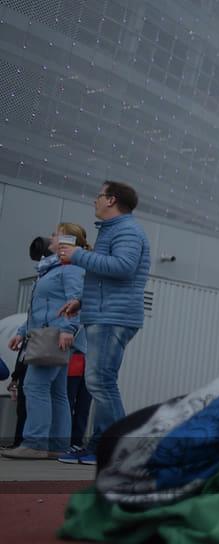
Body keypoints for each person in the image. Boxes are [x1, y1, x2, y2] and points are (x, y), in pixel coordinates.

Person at [57, 181, 151, 465]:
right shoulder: (116, 230)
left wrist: (78, 255)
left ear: (111, 200)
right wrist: (82, 301)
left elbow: (124, 267)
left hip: (113, 316)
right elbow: (106, 278)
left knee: (101, 382)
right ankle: (99, 446)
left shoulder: (127, 230)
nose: (94, 200)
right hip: (106, 313)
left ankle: (118, 448)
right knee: (101, 382)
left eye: (98, 196)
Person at [2, 225, 88, 459]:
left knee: (34, 386)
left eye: (56, 234)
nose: (51, 237)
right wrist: (22, 331)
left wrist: (68, 328)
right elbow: (39, 308)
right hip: (48, 334)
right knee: (57, 392)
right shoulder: (54, 268)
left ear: (68, 239)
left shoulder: (70, 268)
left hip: (53, 335)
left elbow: (76, 300)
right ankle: (56, 445)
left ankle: (35, 443)